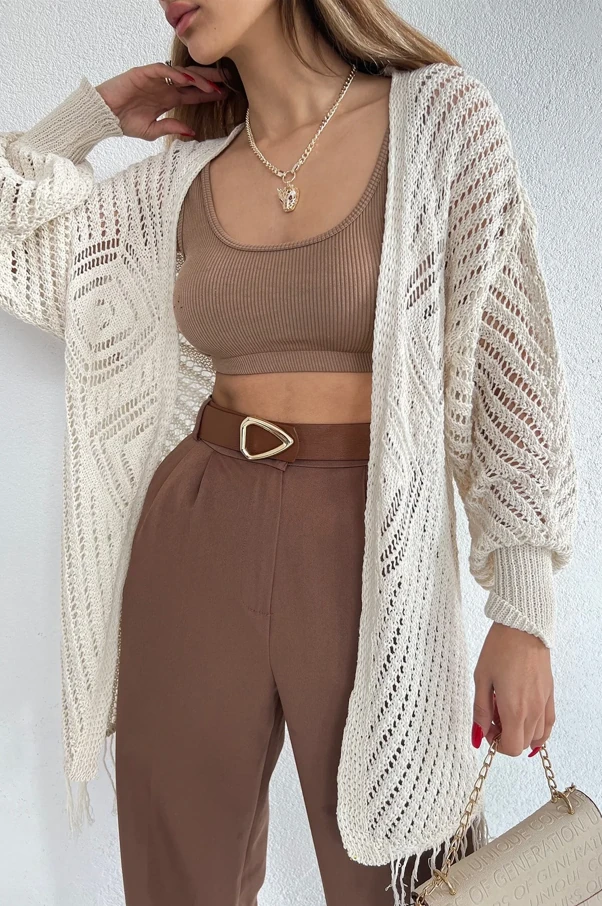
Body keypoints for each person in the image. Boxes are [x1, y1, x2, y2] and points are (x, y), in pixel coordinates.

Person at [0, 0, 578, 904]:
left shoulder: (439, 119)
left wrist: (525, 609)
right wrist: (94, 116)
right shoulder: (181, 179)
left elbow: (514, 374)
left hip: (370, 546)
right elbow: (19, 242)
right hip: (195, 531)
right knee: (179, 883)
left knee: (410, 877)